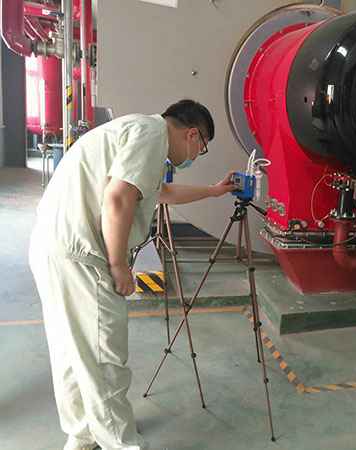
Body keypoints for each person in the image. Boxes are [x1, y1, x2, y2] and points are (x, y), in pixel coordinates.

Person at [29, 99, 235, 450]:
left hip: (53, 247)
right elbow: (118, 199)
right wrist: (119, 265)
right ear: (192, 135)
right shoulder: (152, 134)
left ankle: (83, 433)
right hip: (83, 256)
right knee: (103, 357)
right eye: (200, 149)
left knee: (72, 351)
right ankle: (120, 444)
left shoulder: (134, 129)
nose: (194, 157)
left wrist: (214, 191)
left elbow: (162, 193)